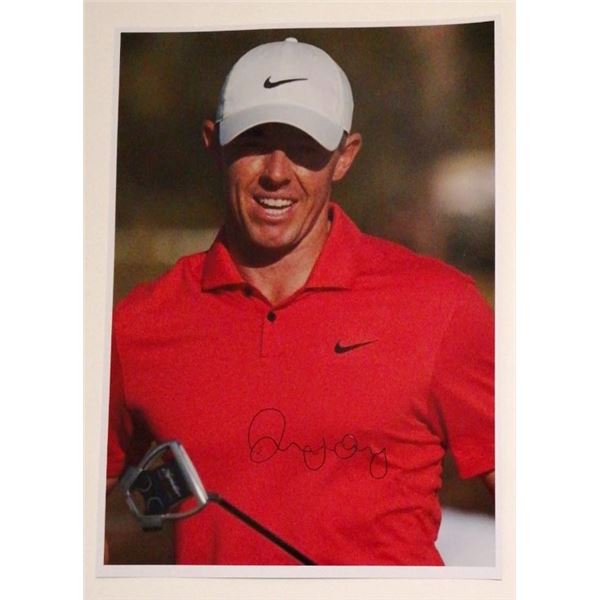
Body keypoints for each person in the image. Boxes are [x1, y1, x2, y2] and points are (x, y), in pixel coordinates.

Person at [106, 37, 494, 566]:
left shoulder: (441, 307)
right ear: (214, 143)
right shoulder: (137, 325)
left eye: (304, 146)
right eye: (255, 140)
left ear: (344, 157)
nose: (276, 171)